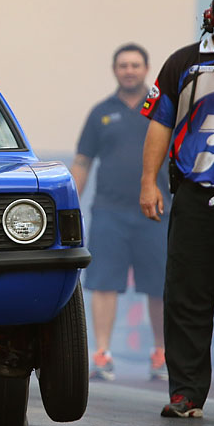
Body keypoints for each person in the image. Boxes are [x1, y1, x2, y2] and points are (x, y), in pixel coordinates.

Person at [140, 0, 214, 419]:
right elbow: (160, 124)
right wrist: (148, 182)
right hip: (194, 198)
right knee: (187, 298)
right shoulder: (184, 63)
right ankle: (186, 393)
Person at [72, 43, 170, 382]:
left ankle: (161, 354)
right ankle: (102, 354)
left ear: (146, 69)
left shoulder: (162, 110)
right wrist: (67, 204)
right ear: (115, 70)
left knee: (159, 286)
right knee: (103, 283)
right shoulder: (101, 112)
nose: (129, 70)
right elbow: (82, 162)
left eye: (135, 65)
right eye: (123, 65)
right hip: (109, 212)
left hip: (156, 212)